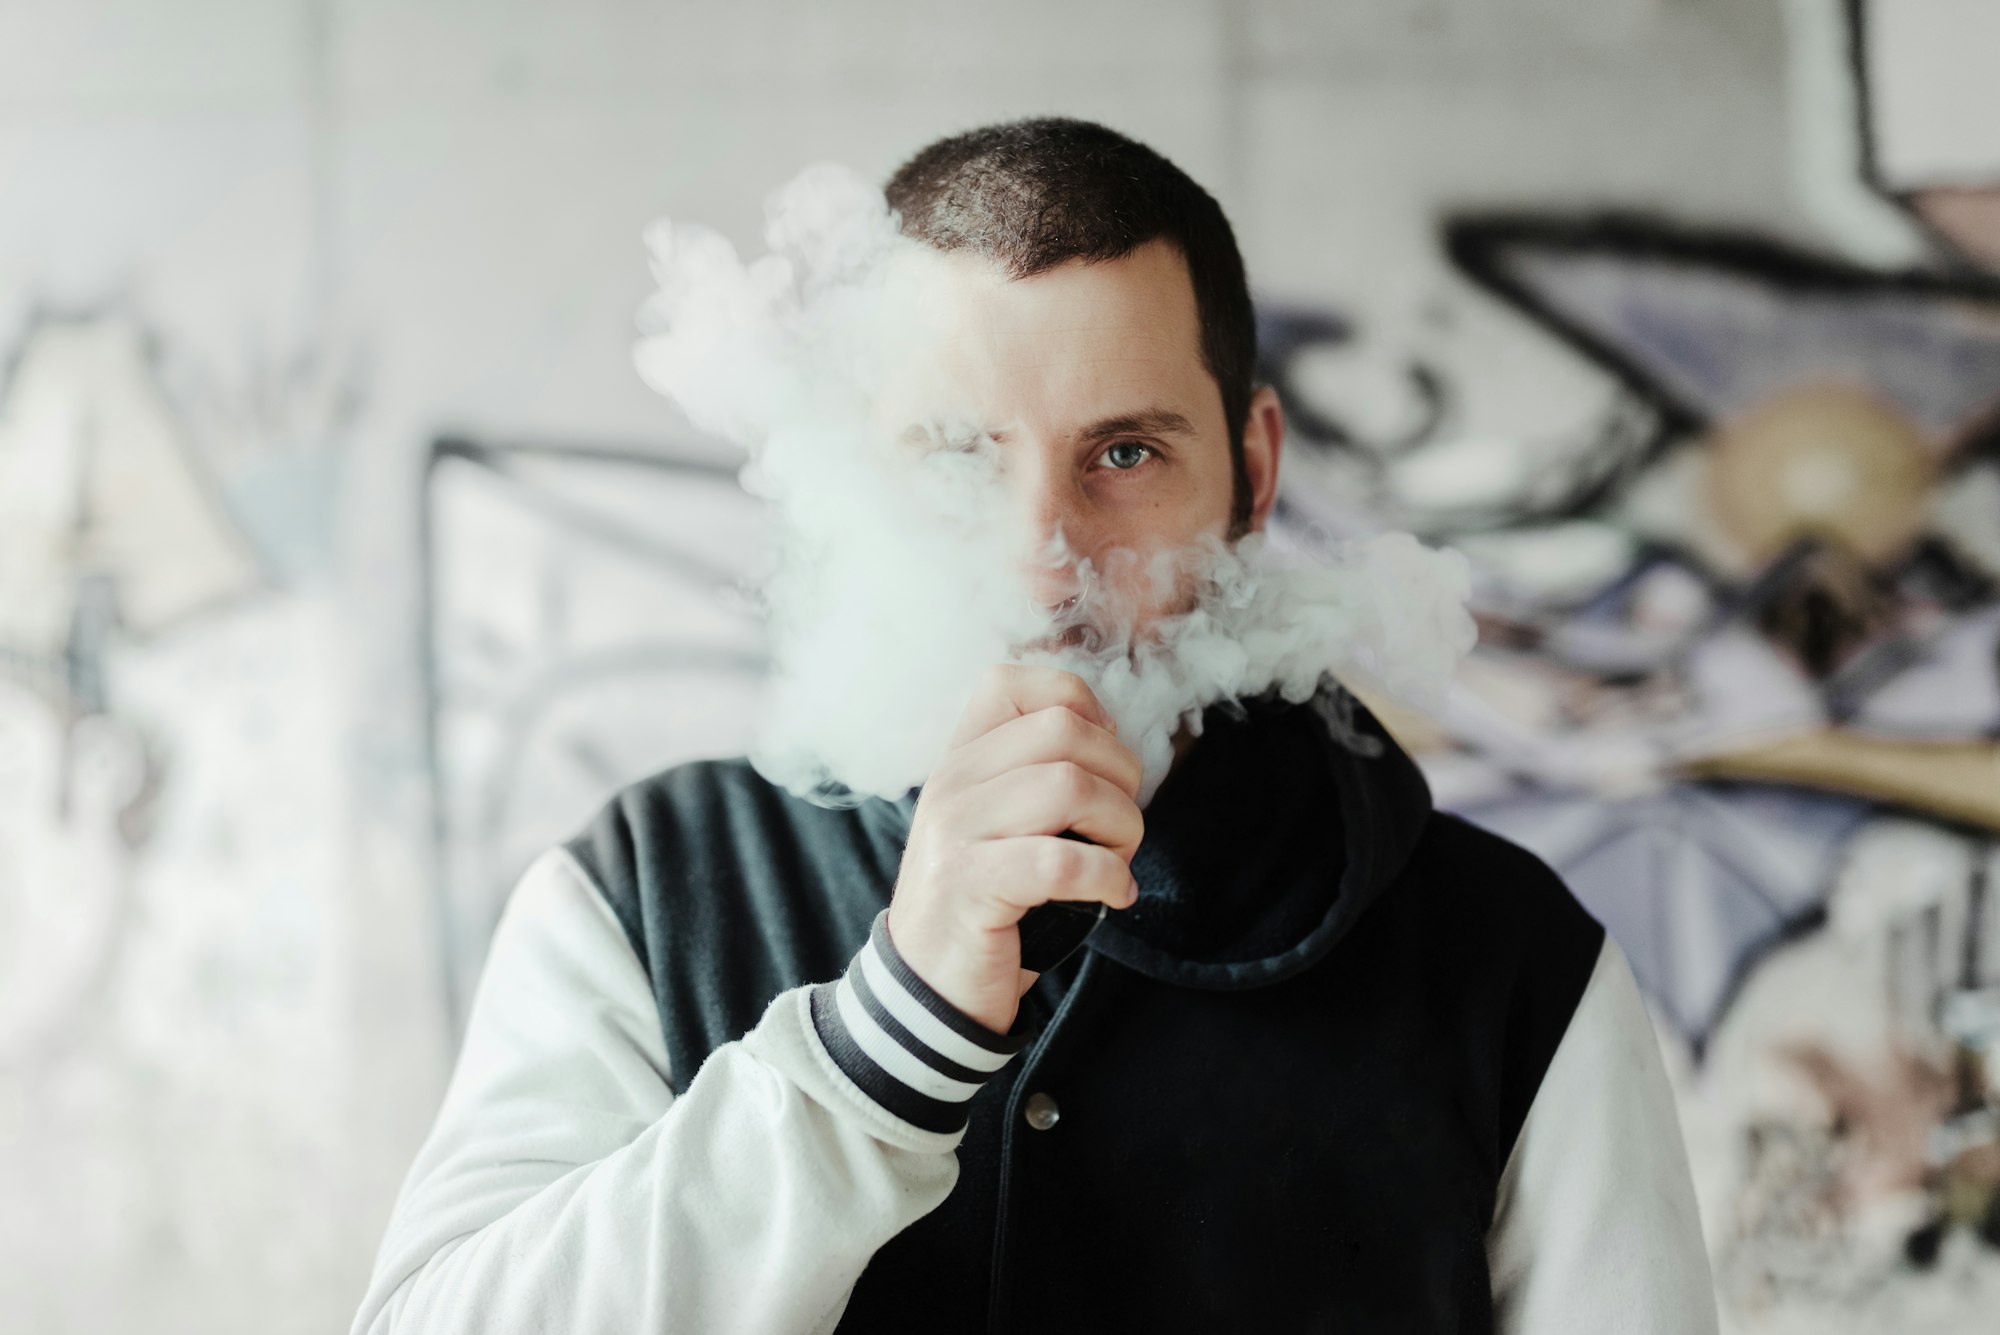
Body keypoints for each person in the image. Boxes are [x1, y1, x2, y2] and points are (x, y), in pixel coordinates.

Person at [351, 119, 1718, 1333]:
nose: (1040, 562)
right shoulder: (648, 889)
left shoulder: (1514, 964)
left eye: (1124, 454)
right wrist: (891, 1040)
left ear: (1250, 473)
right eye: (958, 455)